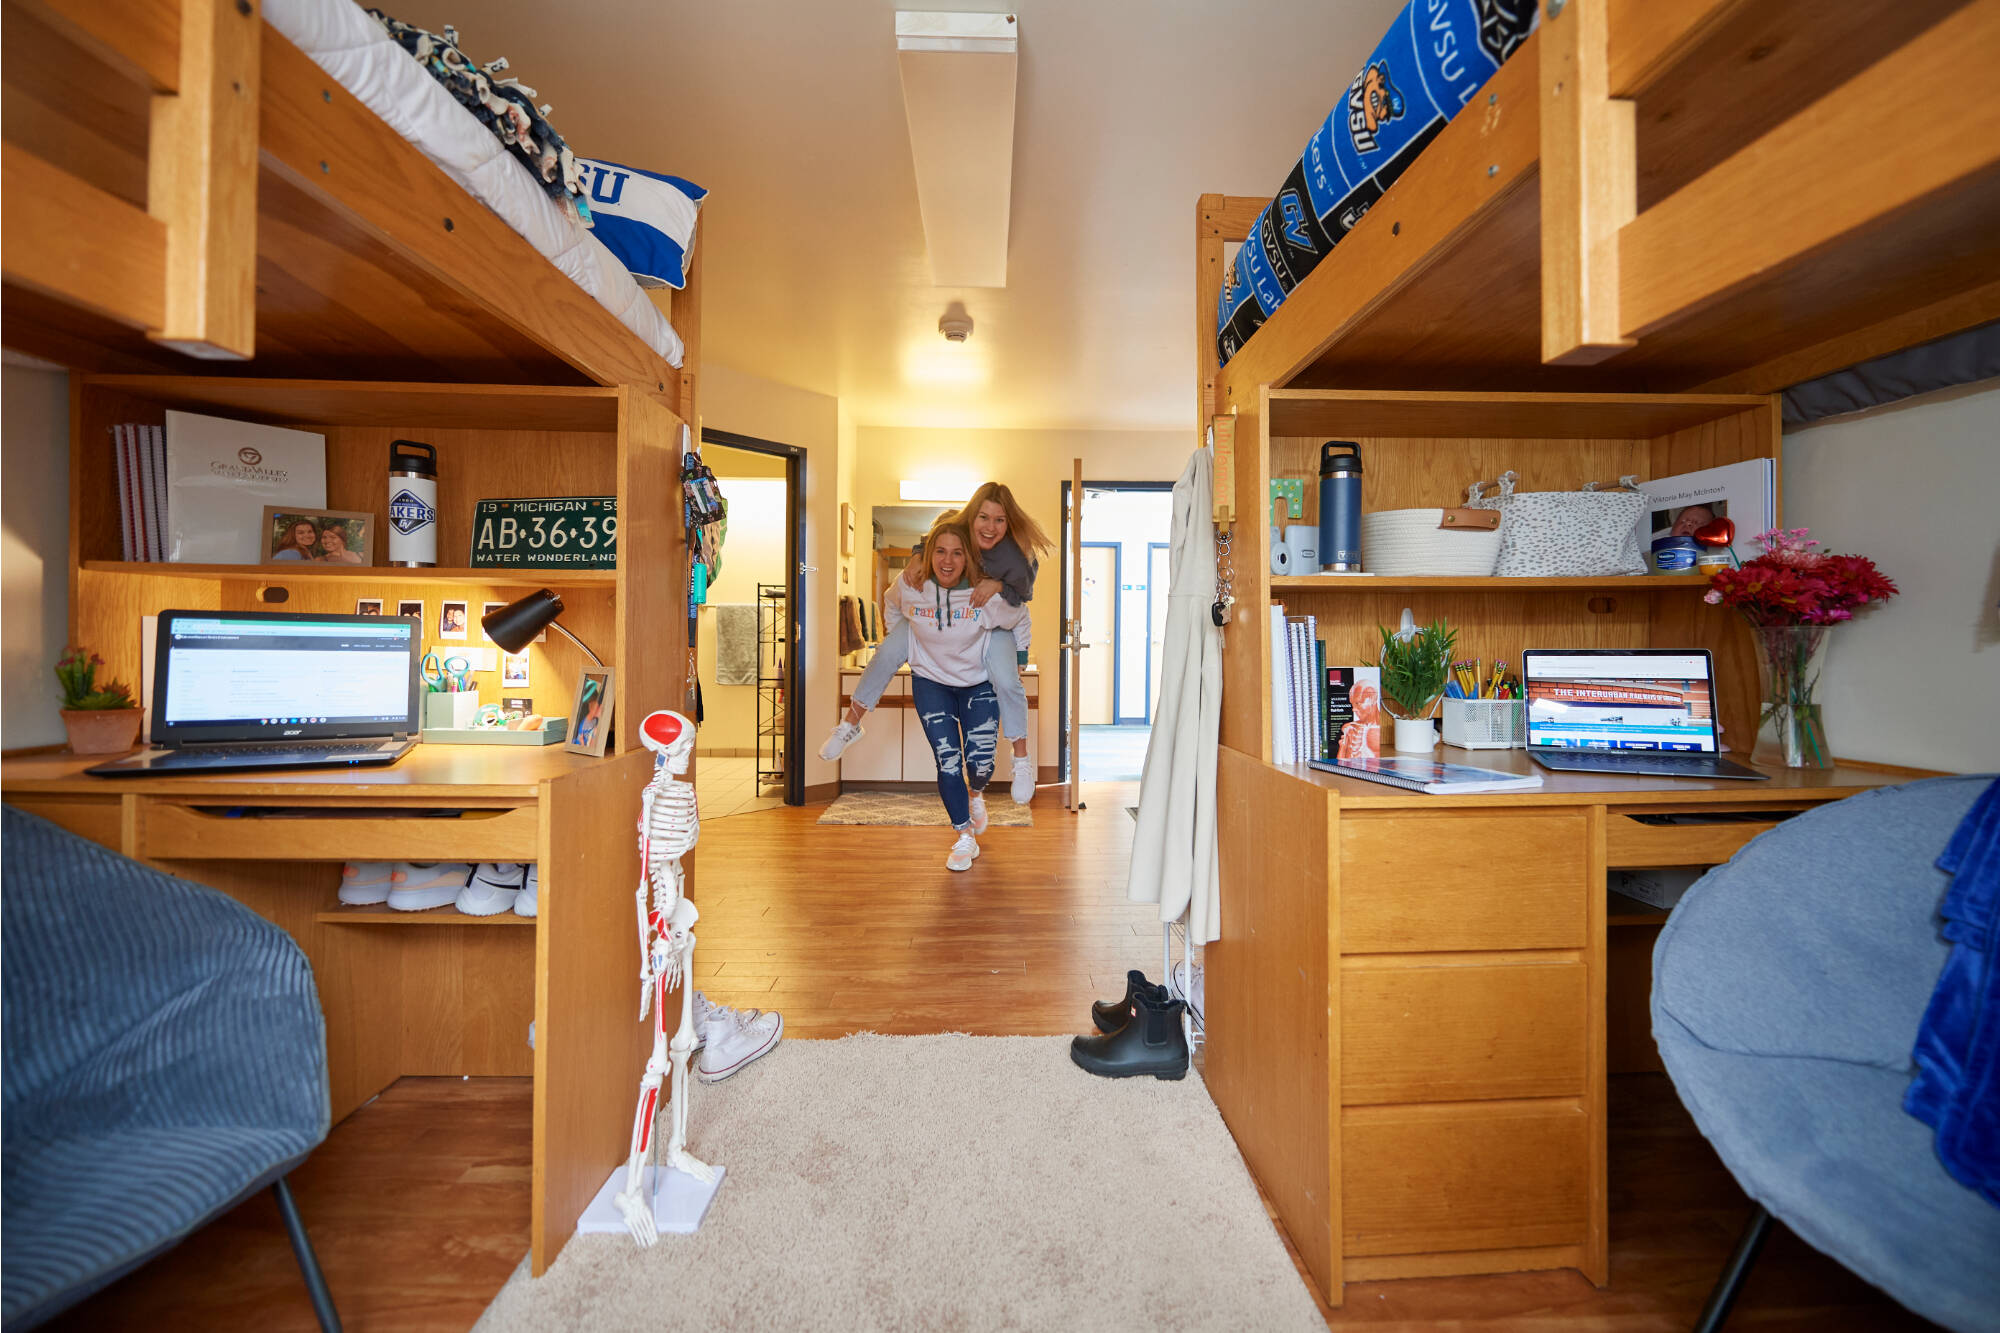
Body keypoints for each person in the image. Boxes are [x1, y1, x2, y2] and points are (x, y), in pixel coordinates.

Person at [820, 482, 1051, 806]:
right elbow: (894, 597)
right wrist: (905, 630)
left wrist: (999, 590)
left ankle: (1021, 759)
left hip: (1000, 611)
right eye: (982, 518)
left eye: (999, 520)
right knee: (885, 655)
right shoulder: (929, 568)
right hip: (936, 654)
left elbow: (1020, 610)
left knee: (1007, 681)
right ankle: (850, 724)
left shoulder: (1005, 567)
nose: (989, 527)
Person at [890, 517, 1029, 871]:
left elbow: (1020, 614)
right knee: (948, 760)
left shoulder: (982, 593)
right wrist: (900, 642)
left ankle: (976, 793)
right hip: (931, 683)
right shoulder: (911, 584)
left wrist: (1021, 660)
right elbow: (890, 602)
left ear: (967, 557)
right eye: (939, 551)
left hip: (978, 683)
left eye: (956, 553)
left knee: (980, 763)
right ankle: (964, 835)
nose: (947, 560)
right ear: (927, 554)